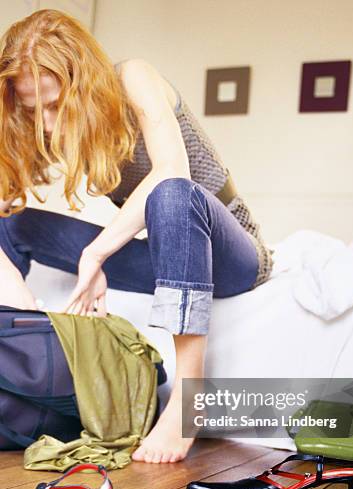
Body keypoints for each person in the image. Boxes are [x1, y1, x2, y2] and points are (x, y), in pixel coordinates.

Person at [0, 9, 274, 463]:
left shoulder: (134, 77)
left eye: (53, 105)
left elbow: (172, 171)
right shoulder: (55, 128)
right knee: (15, 225)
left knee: (170, 194)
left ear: (81, 81)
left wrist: (97, 252)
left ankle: (189, 401)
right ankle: (25, 342)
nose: (46, 124)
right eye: (34, 110)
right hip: (161, 253)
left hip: (230, 256)